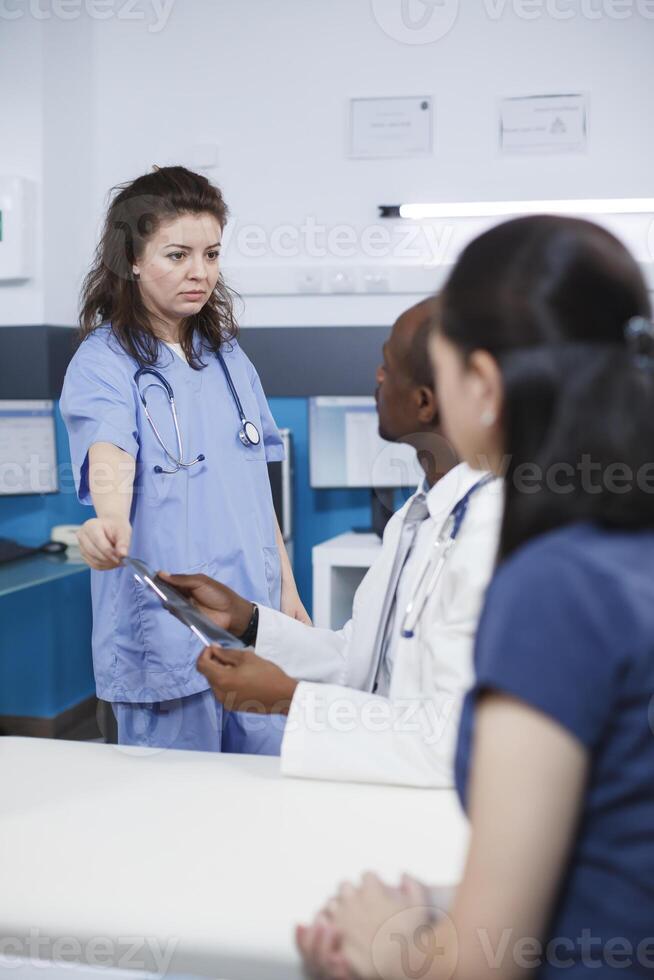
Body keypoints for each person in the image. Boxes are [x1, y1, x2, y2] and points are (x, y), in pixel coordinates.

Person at [297, 215, 654, 980]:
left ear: (482, 387)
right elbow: (609, 849)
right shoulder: (621, 549)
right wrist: (442, 899)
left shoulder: (555, 587)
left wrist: (383, 938)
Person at [162, 298, 502, 787]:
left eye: (388, 366)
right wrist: (247, 620)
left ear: (425, 401)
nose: (378, 378)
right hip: (383, 788)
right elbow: (356, 659)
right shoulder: (414, 518)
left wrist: (288, 699)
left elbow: (455, 742)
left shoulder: (490, 537)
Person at [60, 165, 308, 754]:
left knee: (265, 805)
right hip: (164, 633)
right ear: (132, 260)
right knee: (171, 819)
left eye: (212, 254)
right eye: (177, 254)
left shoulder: (227, 359)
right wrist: (110, 519)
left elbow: (255, 486)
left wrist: (288, 593)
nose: (200, 272)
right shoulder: (104, 363)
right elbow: (109, 449)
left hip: (252, 622)